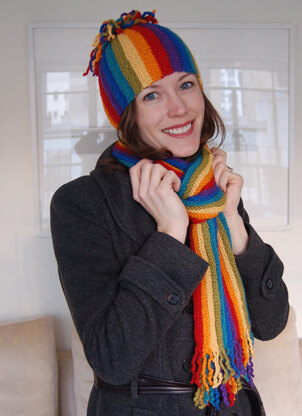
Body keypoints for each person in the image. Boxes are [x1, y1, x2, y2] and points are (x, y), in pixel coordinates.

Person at [50, 10, 289, 416]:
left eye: (186, 84)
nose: (179, 108)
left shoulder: (213, 188)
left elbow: (271, 322)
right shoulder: (82, 203)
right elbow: (112, 357)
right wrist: (170, 233)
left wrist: (233, 222)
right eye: (152, 95)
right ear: (127, 115)